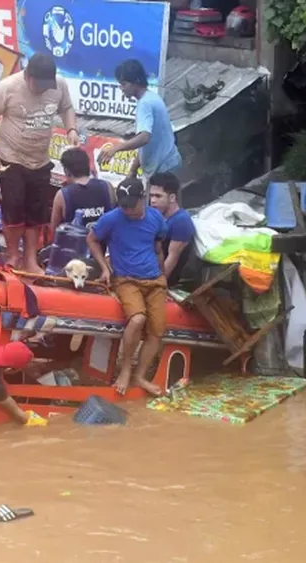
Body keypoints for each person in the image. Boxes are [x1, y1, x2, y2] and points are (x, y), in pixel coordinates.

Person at [0, 53, 79, 274]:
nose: (42, 90)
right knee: (13, 210)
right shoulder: (7, 88)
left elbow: (67, 108)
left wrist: (71, 129)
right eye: (38, 85)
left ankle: (31, 259)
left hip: (40, 161)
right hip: (11, 159)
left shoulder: (59, 85)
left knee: (36, 213)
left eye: (46, 86)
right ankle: (14, 255)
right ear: (27, 76)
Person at [87, 178, 168, 396]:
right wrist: (104, 268)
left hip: (155, 280)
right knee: (137, 318)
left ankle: (139, 377)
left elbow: (158, 249)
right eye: (123, 205)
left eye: (131, 204)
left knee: (157, 332)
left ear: (143, 198)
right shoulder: (112, 219)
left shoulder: (156, 218)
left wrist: (164, 277)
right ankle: (125, 370)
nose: (128, 209)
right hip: (126, 279)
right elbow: (92, 239)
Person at [97, 59, 182, 187]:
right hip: (167, 166)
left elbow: (144, 138)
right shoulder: (151, 98)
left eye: (124, 84)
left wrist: (116, 148)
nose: (121, 88)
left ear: (136, 82)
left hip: (164, 169)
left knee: (160, 205)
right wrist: (133, 170)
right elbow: (146, 142)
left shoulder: (145, 104)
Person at [49, 147, 115, 236]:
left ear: (66, 171)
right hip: (102, 246)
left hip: (73, 246)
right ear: (87, 167)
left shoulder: (62, 195)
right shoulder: (107, 186)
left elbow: (54, 231)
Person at [148, 172, 196, 287]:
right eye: (151, 196)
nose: (153, 200)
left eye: (158, 196)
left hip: (162, 279)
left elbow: (172, 258)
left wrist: (156, 286)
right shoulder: (156, 215)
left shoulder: (181, 221)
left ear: (172, 198)